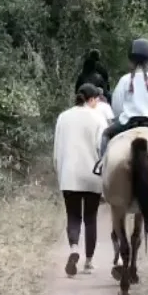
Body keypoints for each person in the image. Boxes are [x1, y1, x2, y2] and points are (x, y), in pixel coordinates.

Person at [53, 83, 106, 276]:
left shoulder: (63, 117)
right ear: (91, 99)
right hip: (92, 175)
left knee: (73, 216)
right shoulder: (98, 118)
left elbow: (57, 150)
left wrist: (60, 173)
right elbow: (102, 149)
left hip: (69, 175)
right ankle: (89, 262)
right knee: (90, 218)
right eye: (97, 99)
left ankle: (74, 248)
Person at [96, 38, 148, 162]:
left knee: (105, 134)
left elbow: (116, 107)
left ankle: (102, 163)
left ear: (131, 61)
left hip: (127, 122)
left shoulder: (125, 80)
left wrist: (121, 116)